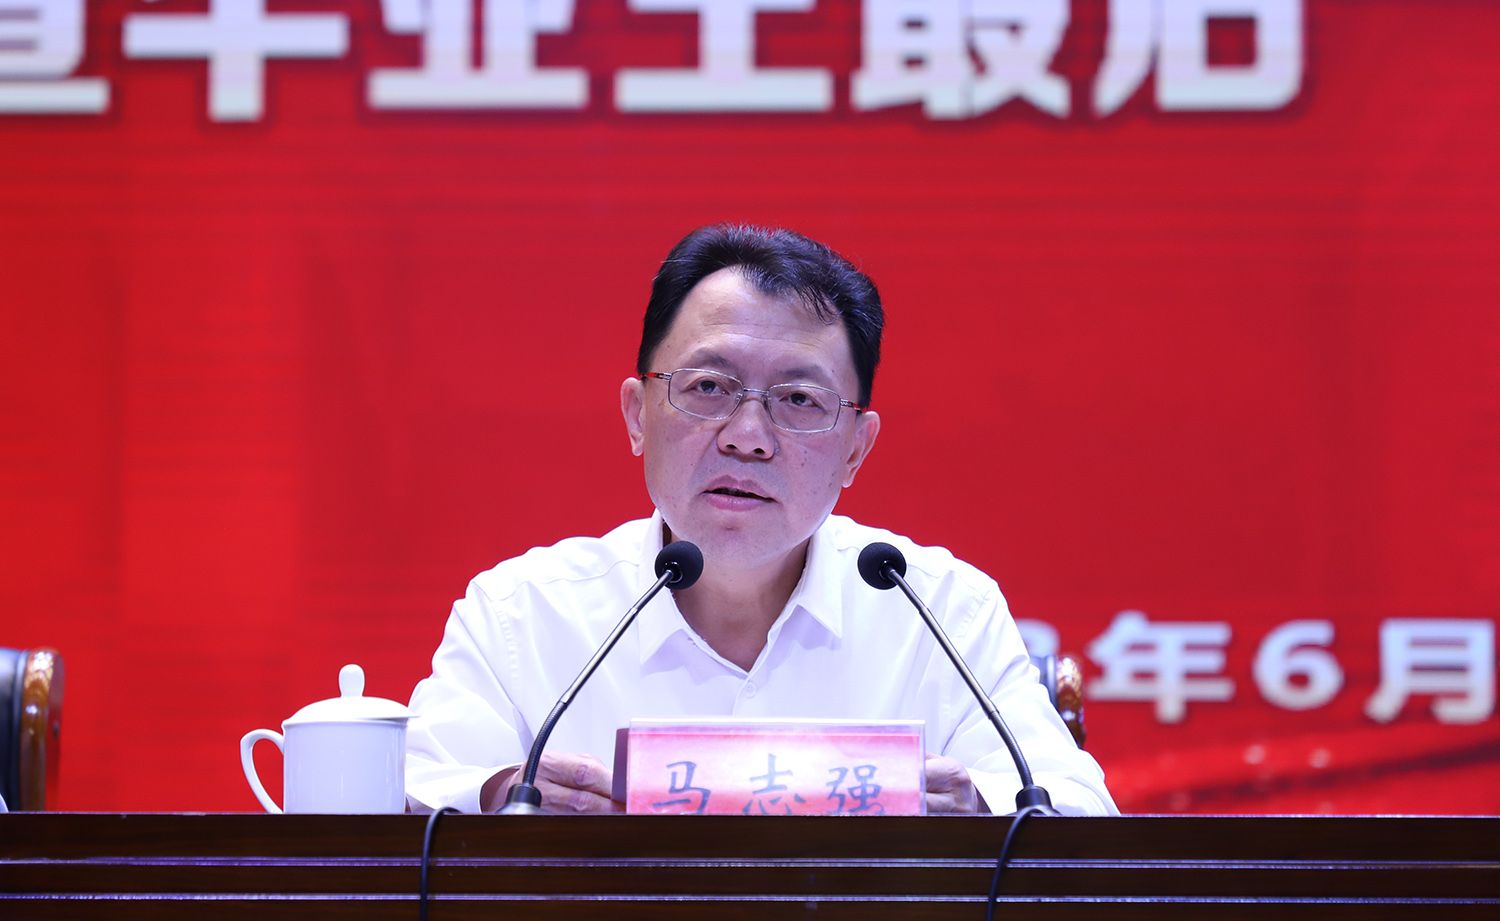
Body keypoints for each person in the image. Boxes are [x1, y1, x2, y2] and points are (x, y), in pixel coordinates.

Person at [404, 224, 1117, 816]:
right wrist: (504, 795)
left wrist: (979, 811)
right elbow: (405, 798)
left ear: (856, 449)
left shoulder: (941, 610)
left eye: (799, 399)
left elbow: (1079, 813)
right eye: (708, 387)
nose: (748, 436)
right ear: (637, 415)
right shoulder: (523, 613)